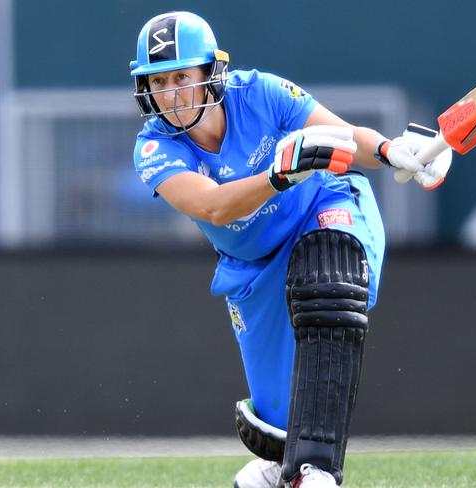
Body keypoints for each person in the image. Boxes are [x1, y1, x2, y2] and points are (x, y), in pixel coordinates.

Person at [130, 11, 451, 487]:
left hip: (325, 203)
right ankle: (275, 469)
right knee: (276, 430)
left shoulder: (260, 91)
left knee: (327, 284)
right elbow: (216, 208)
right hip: (253, 266)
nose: (173, 94)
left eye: (182, 76)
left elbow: (343, 138)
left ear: (210, 73)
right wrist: (279, 174)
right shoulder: (154, 148)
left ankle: (317, 471)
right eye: (160, 82)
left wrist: (390, 151)